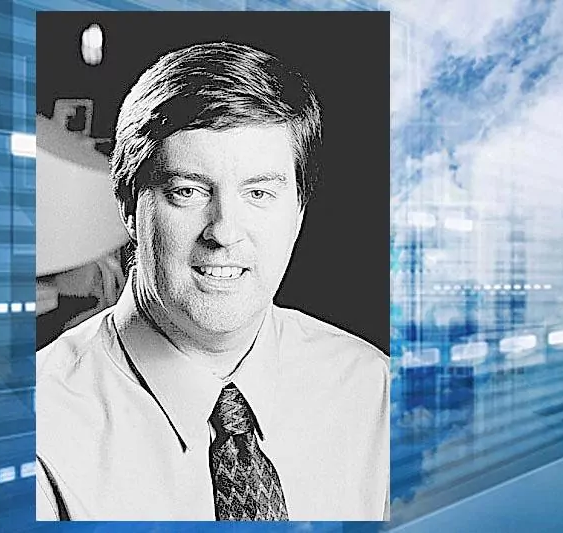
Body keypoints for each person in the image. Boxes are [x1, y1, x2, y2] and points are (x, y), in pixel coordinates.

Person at [36, 41, 389, 521]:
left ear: (299, 212)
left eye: (258, 193)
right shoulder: (35, 431)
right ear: (128, 208)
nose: (224, 231)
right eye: (188, 191)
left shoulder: (375, 392)